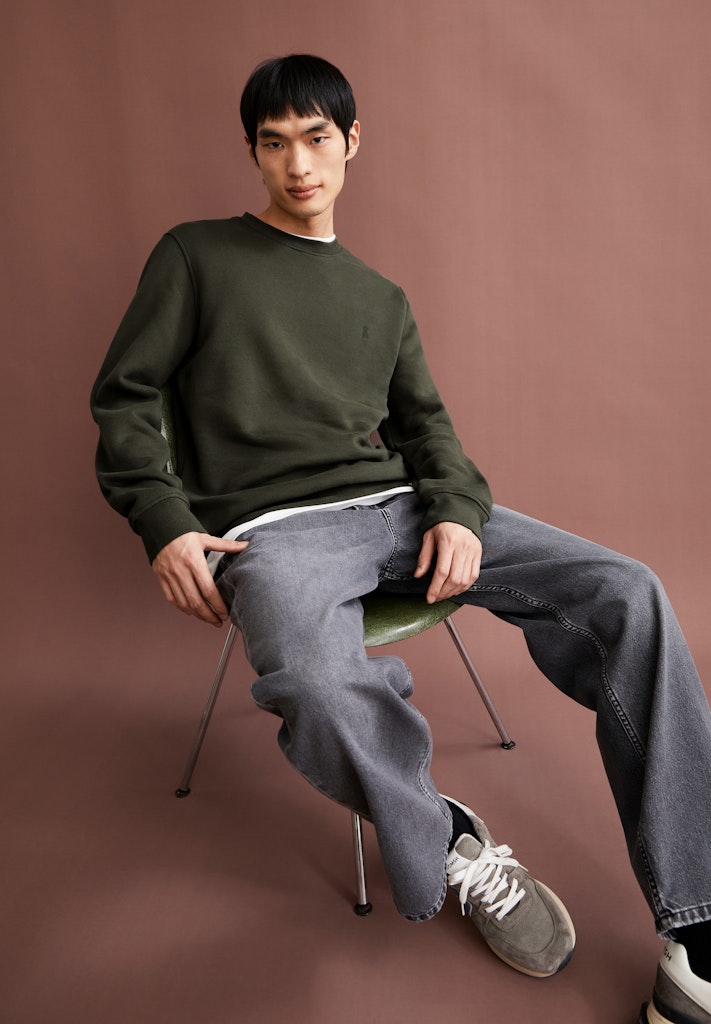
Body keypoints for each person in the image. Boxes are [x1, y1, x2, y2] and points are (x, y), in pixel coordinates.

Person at [91, 54, 711, 1023]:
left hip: (401, 509)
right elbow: (124, 401)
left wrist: (456, 509)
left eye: (316, 138)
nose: (298, 164)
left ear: (352, 142)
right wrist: (164, 523)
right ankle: (447, 833)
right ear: (253, 151)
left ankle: (697, 919)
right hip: (275, 533)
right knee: (317, 684)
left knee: (630, 590)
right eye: (274, 143)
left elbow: (430, 433)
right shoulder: (195, 256)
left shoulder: (380, 299)